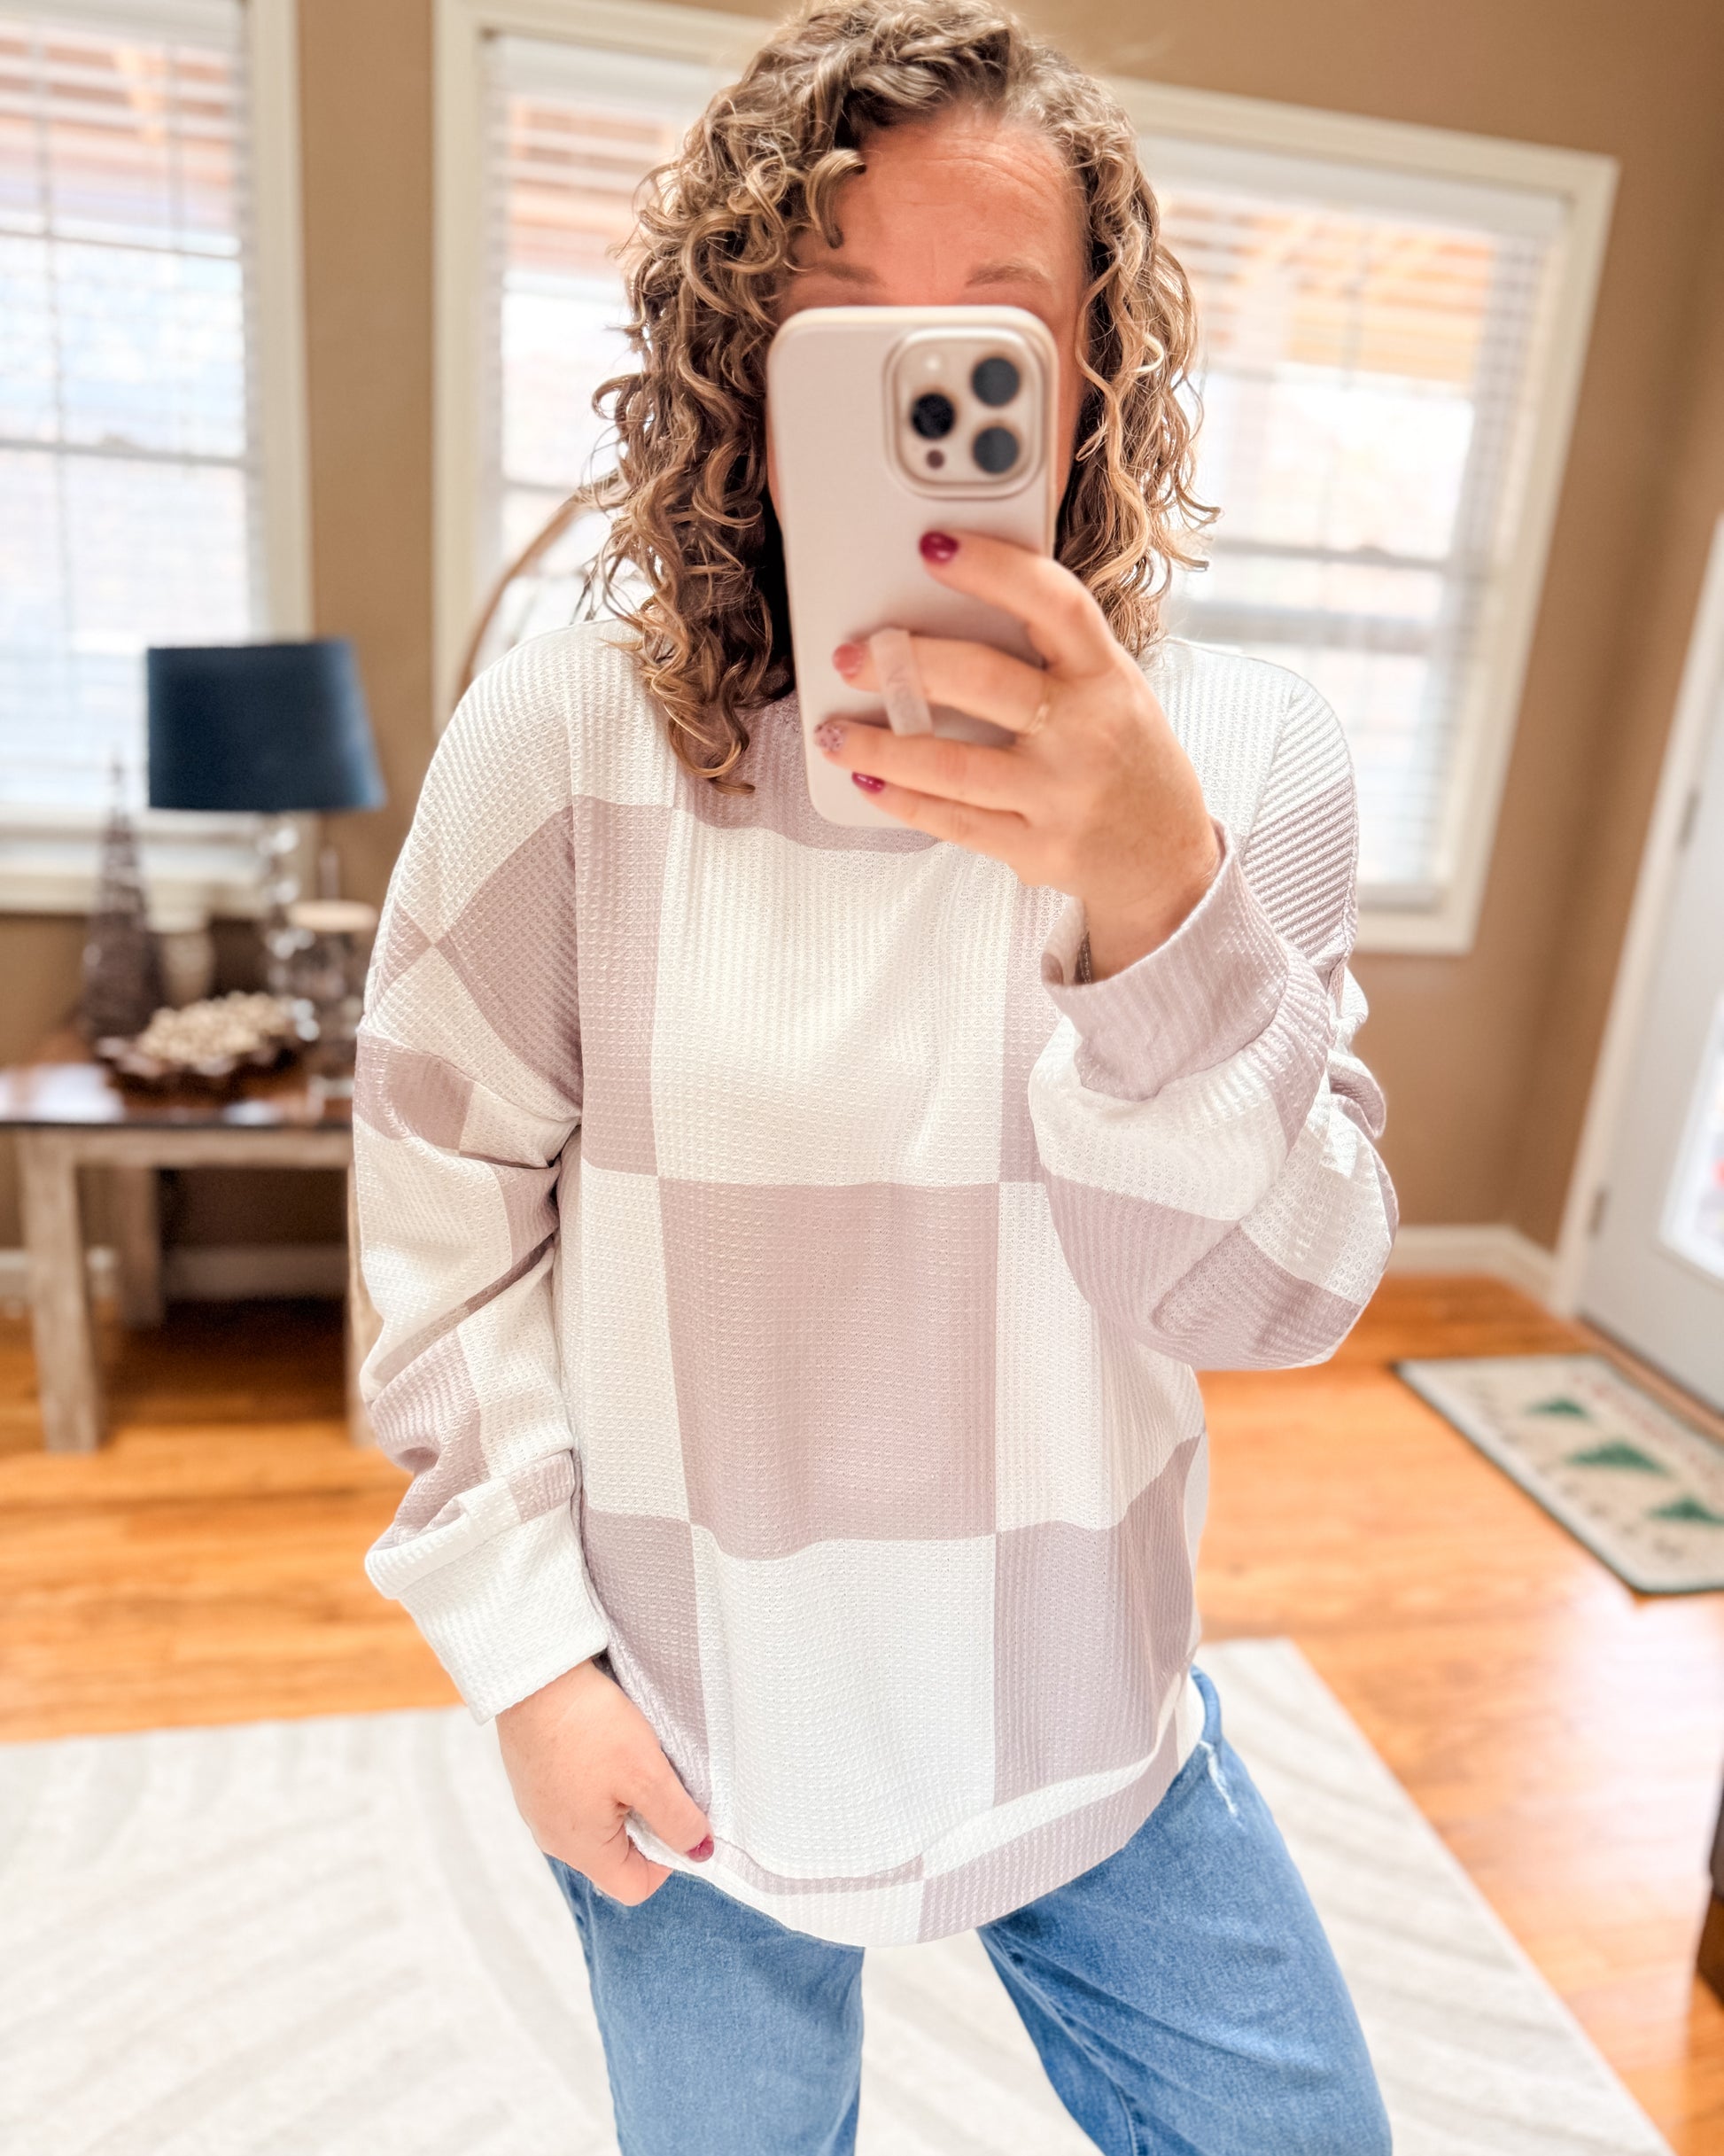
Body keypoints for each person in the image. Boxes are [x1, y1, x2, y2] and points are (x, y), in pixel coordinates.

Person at [353, 4, 1398, 2151]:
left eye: (991, 334)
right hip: (691, 1714)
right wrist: (530, 1665)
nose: (923, 381)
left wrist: (1152, 895)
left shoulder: (1246, 762)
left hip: (1088, 1702)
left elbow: (1269, 1301)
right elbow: (439, 1230)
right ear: (734, 365)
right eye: (838, 329)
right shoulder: (564, 746)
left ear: (1092, 366)